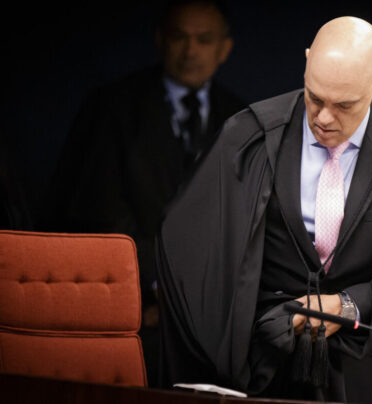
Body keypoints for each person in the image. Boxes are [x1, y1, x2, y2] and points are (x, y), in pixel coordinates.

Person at [157, 16, 372, 404]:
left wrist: (345, 305)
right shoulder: (248, 138)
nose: (324, 118)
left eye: (343, 105)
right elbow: (185, 248)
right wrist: (251, 323)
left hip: (358, 369)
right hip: (259, 362)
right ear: (306, 62)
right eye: (314, 97)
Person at [41, 0, 245, 386]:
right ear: (160, 40)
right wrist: (158, 284)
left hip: (213, 322)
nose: (191, 50)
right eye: (180, 37)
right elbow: (99, 208)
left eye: (204, 40)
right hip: (127, 306)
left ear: (224, 48)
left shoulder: (241, 119)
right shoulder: (111, 107)